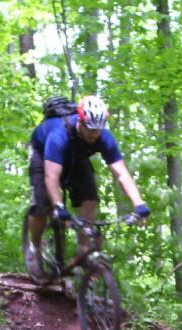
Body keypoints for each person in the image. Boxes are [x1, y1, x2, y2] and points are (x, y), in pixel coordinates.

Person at [25, 95, 150, 276]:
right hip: (43, 153)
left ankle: (83, 250)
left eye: (97, 130)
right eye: (90, 129)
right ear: (80, 123)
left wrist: (139, 204)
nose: (93, 134)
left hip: (76, 157)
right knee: (42, 204)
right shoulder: (58, 135)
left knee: (90, 200)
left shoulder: (104, 137)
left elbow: (122, 174)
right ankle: (34, 247)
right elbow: (51, 177)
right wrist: (59, 207)